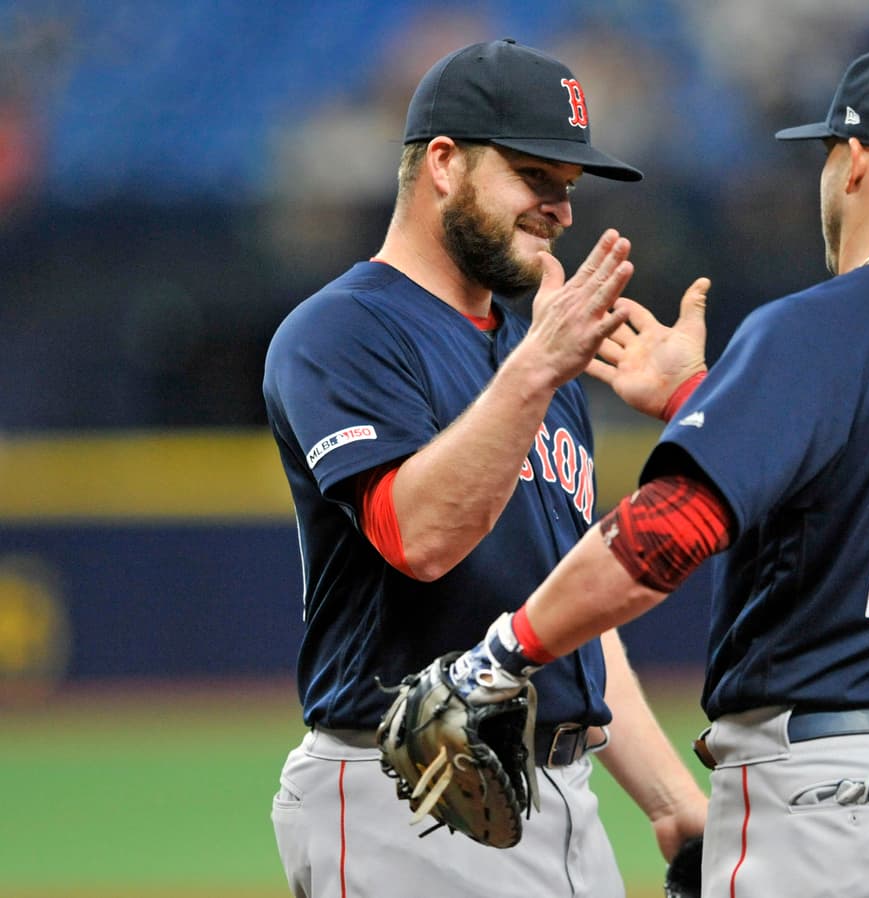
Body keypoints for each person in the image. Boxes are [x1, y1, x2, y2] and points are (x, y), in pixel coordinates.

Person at [447, 43, 869, 897]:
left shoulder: (822, 326)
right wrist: (700, 397)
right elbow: (862, 486)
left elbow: (664, 535)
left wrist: (503, 652)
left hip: (840, 792)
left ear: (855, 163)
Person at [263, 38, 709, 898]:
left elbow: (564, 607)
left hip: (560, 796)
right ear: (442, 162)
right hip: (415, 792)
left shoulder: (530, 350)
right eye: (536, 176)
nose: (560, 209)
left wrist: (670, 803)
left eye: (570, 188)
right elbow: (417, 536)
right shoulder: (342, 332)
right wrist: (539, 369)